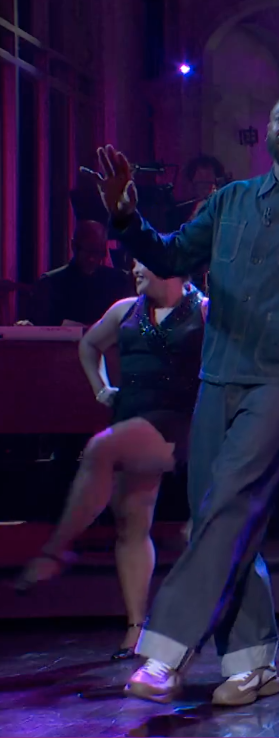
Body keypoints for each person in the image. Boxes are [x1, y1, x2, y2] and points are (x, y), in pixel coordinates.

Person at [95, 90, 279, 706]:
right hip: (220, 374)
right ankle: (252, 663)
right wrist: (125, 216)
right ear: (269, 132)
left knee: (230, 499)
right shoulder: (229, 201)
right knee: (223, 513)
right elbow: (171, 254)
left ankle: (166, 650)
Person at [14, 262, 204, 660]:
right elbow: (89, 345)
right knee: (131, 524)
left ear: (171, 265)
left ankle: (55, 551)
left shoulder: (204, 311)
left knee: (101, 449)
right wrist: (101, 388)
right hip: (130, 418)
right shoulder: (124, 310)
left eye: (143, 260)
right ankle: (136, 629)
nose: (134, 267)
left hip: (177, 425)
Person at [22, 221, 134, 326]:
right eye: (88, 251)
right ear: (73, 246)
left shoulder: (119, 281)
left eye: (97, 251)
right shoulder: (50, 282)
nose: (92, 258)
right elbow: (38, 324)